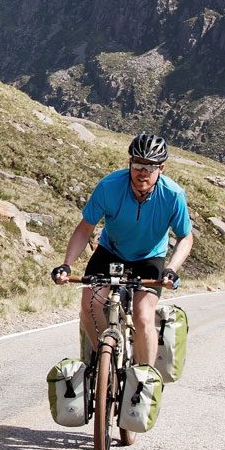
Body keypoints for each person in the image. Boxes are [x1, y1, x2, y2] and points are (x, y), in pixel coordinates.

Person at [50, 132, 194, 370]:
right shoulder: (109, 187)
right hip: (111, 251)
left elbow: (185, 237)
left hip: (150, 257)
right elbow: (85, 229)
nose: (142, 172)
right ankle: (102, 361)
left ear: (162, 168)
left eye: (150, 166)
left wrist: (171, 269)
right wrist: (66, 264)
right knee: (89, 306)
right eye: (137, 164)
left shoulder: (173, 195)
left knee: (143, 315)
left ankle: (144, 381)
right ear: (129, 163)